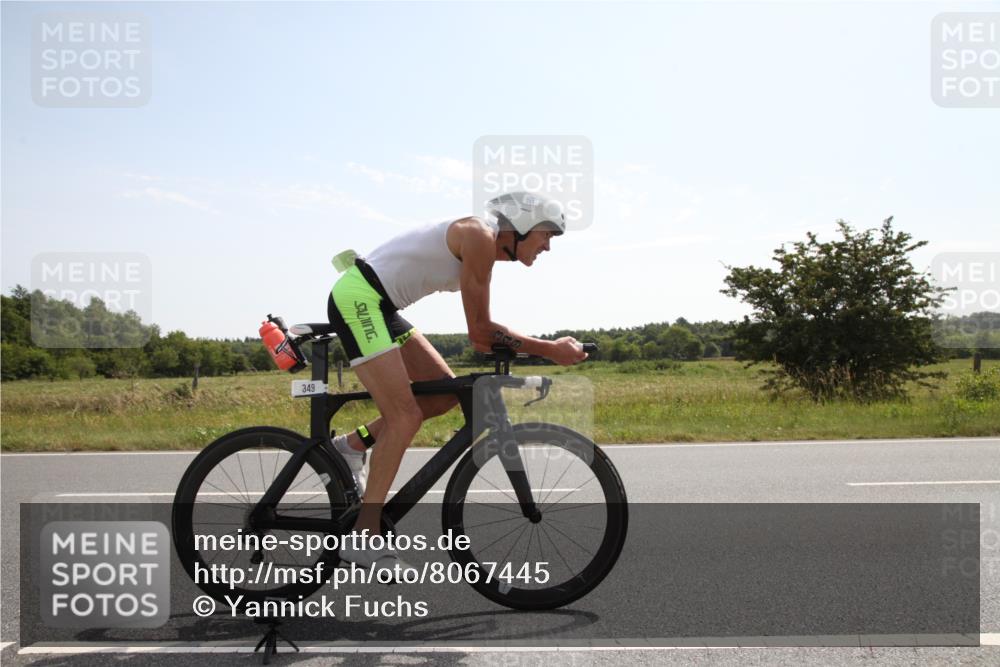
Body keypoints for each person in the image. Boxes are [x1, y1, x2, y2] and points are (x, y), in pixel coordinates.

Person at [326, 191, 588, 574]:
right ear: (523, 225)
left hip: (382, 307)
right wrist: (550, 349)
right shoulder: (479, 236)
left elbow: (483, 338)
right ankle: (364, 537)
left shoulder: (486, 247)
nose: (548, 246)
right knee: (404, 416)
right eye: (547, 234)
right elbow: (480, 333)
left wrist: (539, 349)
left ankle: (352, 445)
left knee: (443, 396)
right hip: (360, 299)